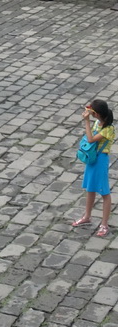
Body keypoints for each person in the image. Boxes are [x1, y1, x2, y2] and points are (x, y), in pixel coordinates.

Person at [73, 99, 113, 238]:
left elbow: (90, 139)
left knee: (104, 192)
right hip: (93, 159)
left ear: (97, 114)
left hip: (100, 160)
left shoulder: (108, 129)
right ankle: (87, 216)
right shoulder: (98, 122)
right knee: (90, 188)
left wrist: (86, 121)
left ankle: (104, 224)